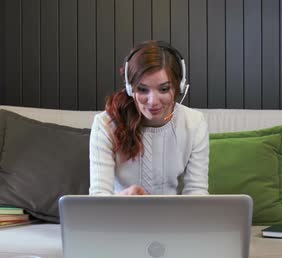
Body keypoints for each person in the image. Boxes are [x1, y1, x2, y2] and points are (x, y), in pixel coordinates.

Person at [89, 40, 209, 196]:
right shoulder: (105, 125)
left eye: (164, 89)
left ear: (179, 86)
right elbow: (98, 198)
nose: (153, 101)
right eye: (143, 89)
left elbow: (197, 193)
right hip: (121, 216)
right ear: (130, 88)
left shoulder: (195, 123)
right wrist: (123, 198)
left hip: (174, 218)